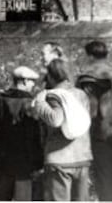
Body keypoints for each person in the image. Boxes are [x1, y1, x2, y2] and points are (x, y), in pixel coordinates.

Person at [76, 40, 112, 201]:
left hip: (99, 133)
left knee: (104, 176)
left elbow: (88, 110)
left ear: (90, 56)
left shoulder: (85, 78)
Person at [33, 59, 93, 201]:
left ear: (51, 76)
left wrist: (40, 102)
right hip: (82, 157)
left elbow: (55, 119)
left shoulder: (53, 95)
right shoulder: (81, 94)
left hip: (59, 159)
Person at [0, 66, 43, 201]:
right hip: (24, 166)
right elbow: (35, 137)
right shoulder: (30, 104)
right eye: (32, 81)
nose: (33, 85)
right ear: (24, 81)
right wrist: (38, 163)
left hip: (3, 161)